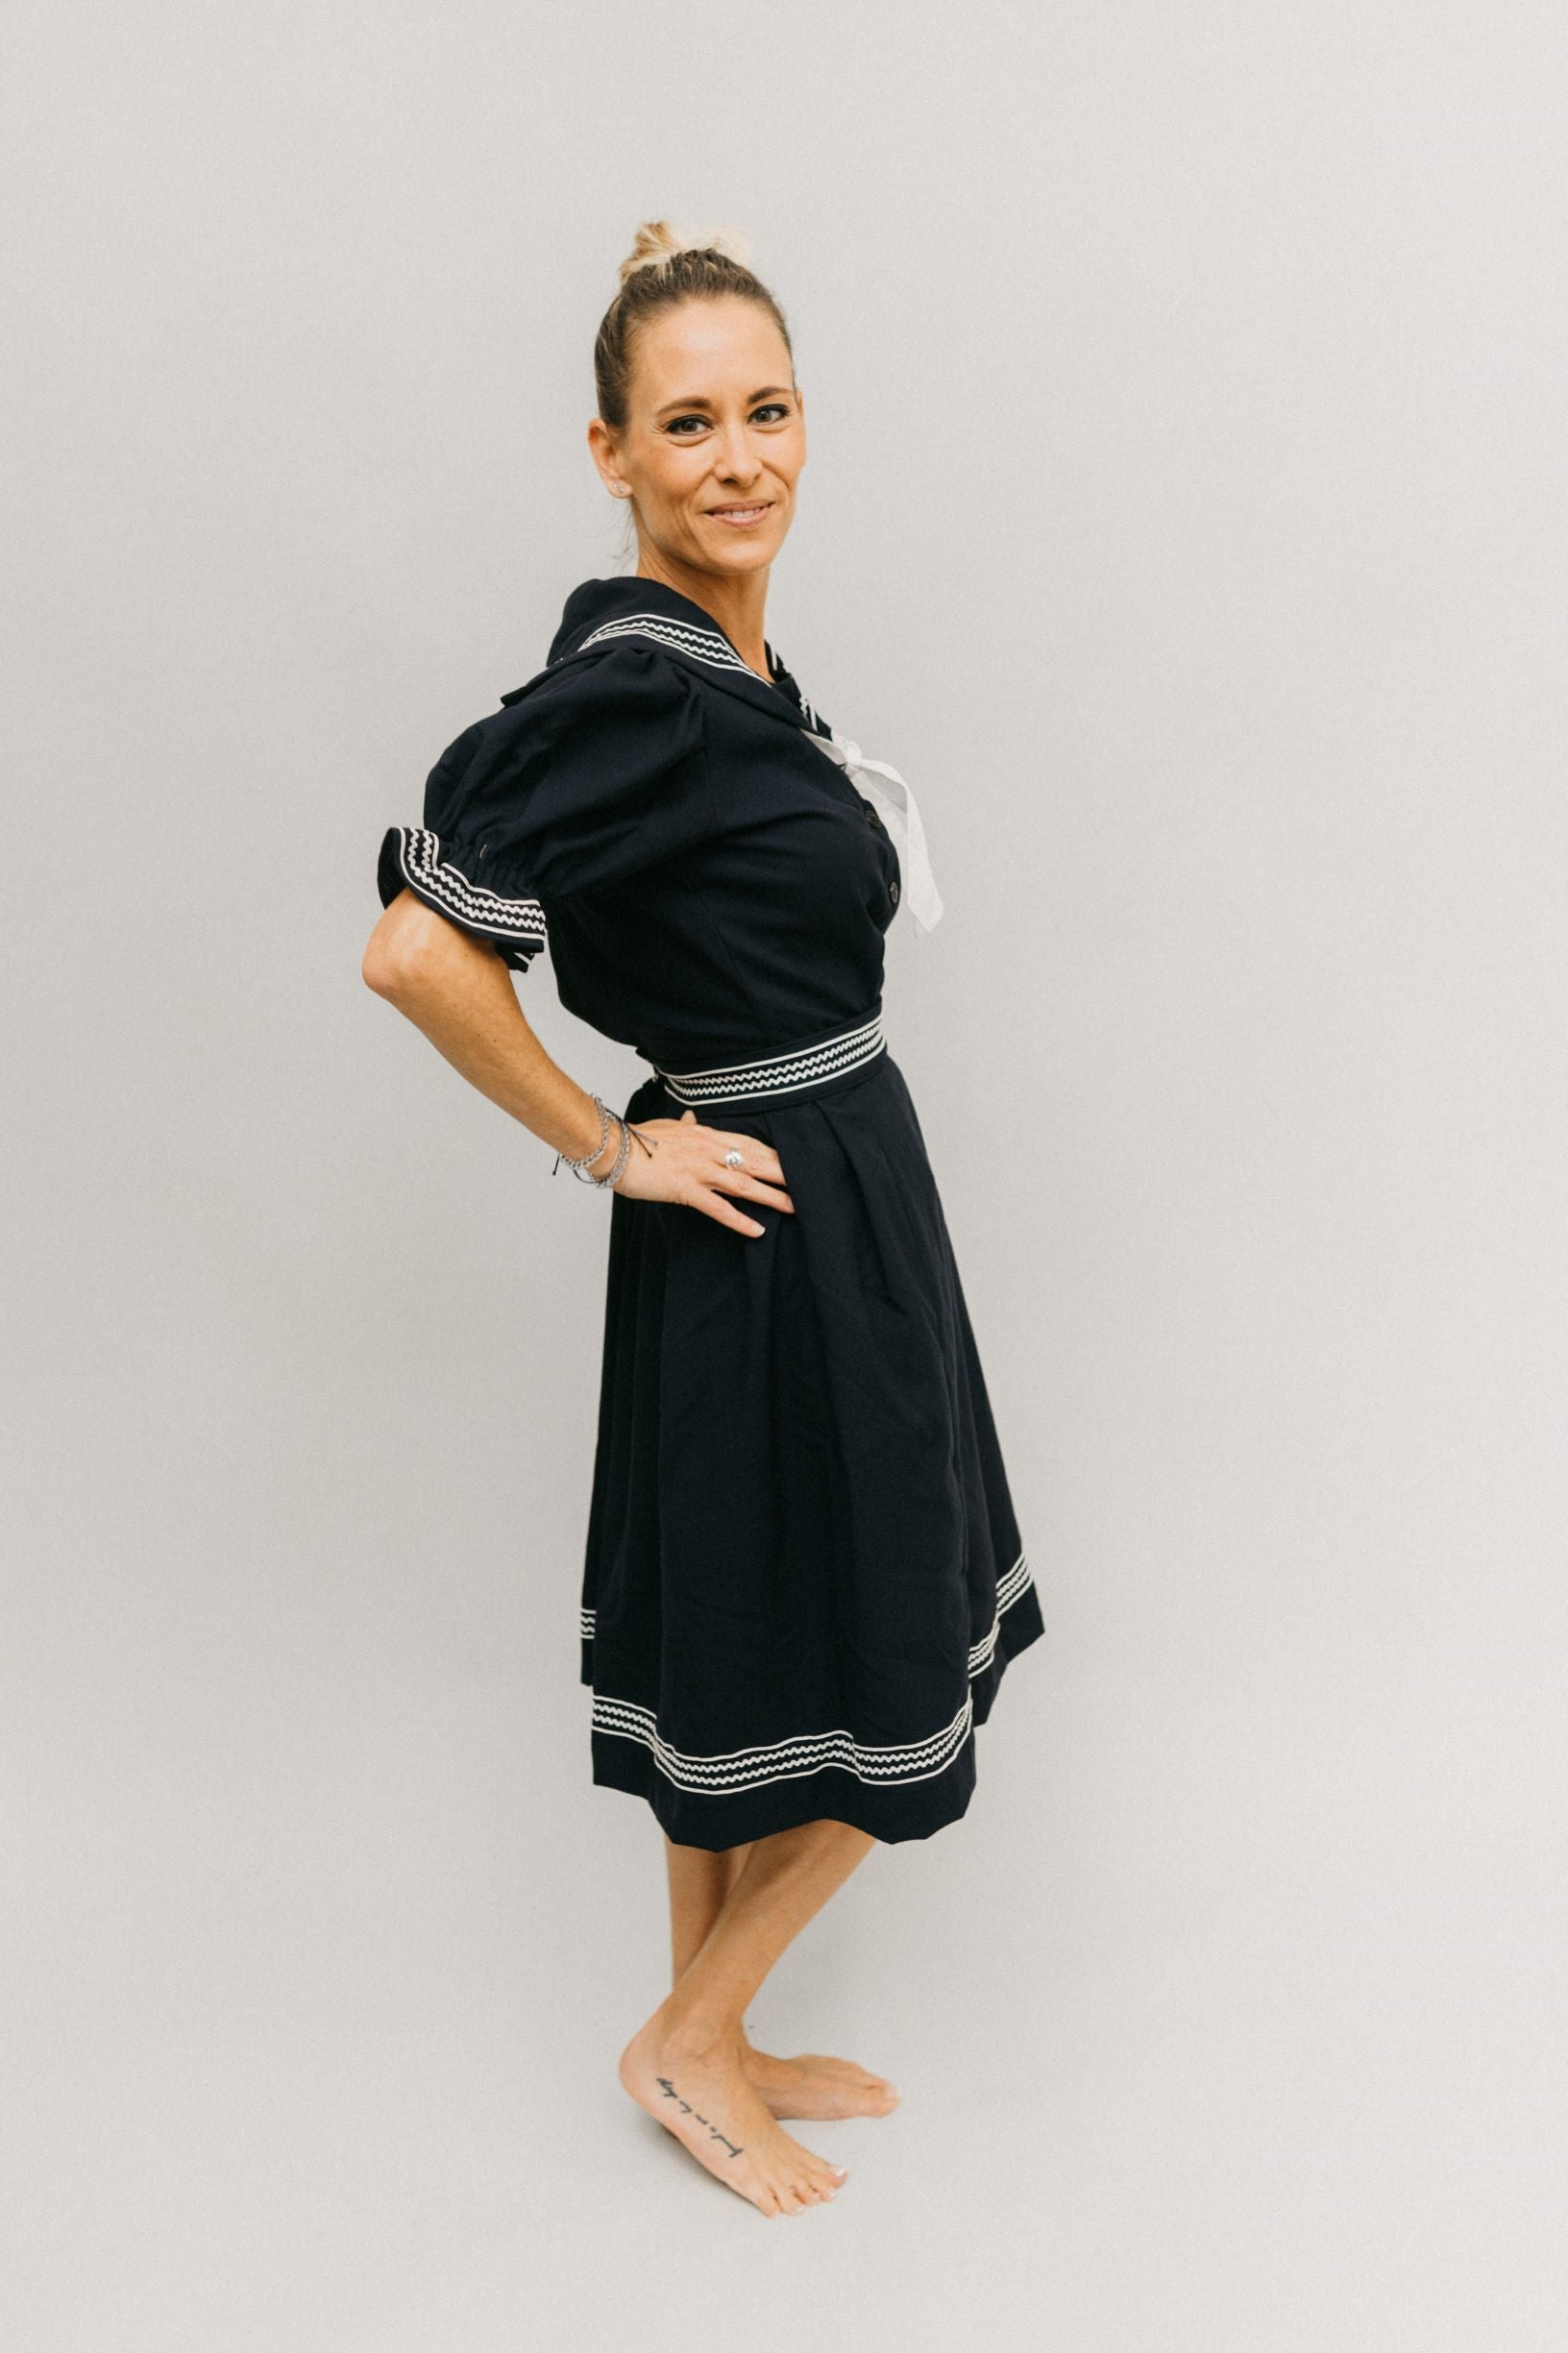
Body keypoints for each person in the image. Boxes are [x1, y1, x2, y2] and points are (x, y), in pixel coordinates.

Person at [361, 220, 1045, 2220]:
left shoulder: (725, 661)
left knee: (743, 1640)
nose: (736, 455)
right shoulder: (637, 690)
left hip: (829, 1183)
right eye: (687, 423)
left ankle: (713, 2031)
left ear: (805, 421)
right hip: (768, 1203)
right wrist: (608, 1136)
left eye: (766, 410)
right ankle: (684, 2037)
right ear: (610, 455)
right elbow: (419, 951)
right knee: (891, 1650)